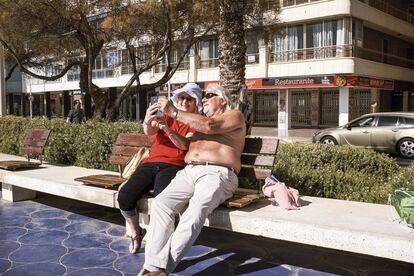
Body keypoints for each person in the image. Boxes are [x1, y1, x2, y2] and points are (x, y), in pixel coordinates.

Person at [139, 85, 246, 275]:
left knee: (195, 211)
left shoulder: (234, 115)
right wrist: (166, 127)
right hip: (189, 171)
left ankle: (160, 269)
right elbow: (185, 145)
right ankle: (153, 266)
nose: (203, 99)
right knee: (161, 204)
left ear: (223, 100)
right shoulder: (200, 122)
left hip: (217, 173)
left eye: (210, 95)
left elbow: (210, 126)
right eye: (203, 96)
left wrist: (173, 111)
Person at [117, 83, 203, 254]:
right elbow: (150, 132)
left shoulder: (196, 122)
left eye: (189, 99)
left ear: (196, 103)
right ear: (176, 99)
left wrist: (168, 130)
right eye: (182, 97)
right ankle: (136, 232)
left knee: (163, 204)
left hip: (175, 165)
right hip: (151, 163)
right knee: (124, 196)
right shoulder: (166, 115)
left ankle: (165, 245)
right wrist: (147, 121)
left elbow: (184, 145)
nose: (185, 101)